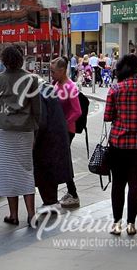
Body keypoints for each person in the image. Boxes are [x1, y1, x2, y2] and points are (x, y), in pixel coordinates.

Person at [103, 54, 137, 236]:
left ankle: (116, 224)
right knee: (136, 184)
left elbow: (107, 116)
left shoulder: (115, 89)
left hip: (118, 144)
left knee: (118, 184)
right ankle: (131, 224)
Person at [0, 45, 42, 227]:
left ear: (4, 60)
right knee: (26, 170)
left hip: (3, 130)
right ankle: (32, 214)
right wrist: (35, 128)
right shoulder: (31, 79)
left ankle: (13, 214)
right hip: (25, 130)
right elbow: (37, 108)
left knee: (7, 172)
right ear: (21, 59)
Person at [33, 76, 74, 215]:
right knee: (51, 172)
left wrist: (34, 139)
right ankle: (51, 201)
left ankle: (50, 202)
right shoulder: (48, 89)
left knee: (44, 172)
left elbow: (41, 121)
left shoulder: (38, 94)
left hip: (46, 140)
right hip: (56, 136)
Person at [50, 57, 81, 208]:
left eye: (53, 71)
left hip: (66, 131)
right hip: (57, 130)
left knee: (62, 161)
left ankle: (73, 194)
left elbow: (77, 111)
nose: (51, 74)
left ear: (62, 71)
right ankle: (68, 193)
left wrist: (64, 123)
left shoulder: (70, 87)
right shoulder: (56, 84)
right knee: (60, 160)